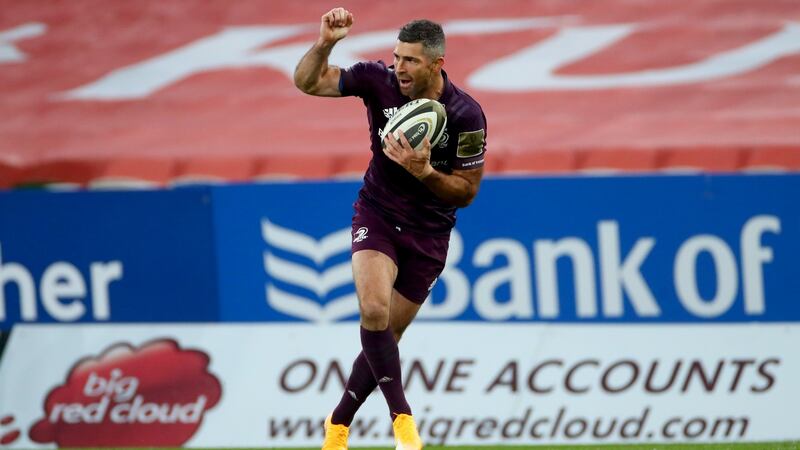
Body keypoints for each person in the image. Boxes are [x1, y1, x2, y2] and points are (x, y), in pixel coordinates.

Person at [294, 7, 487, 450]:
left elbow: (465, 192)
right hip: (377, 213)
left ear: (437, 64)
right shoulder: (376, 81)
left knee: (387, 337)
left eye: (411, 61)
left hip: (430, 233)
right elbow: (307, 82)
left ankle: (337, 425)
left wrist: (423, 171)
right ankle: (404, 424)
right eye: (396, 56)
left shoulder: (465, 116)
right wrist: (325, 43)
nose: (398, 67)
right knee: (374, 312)